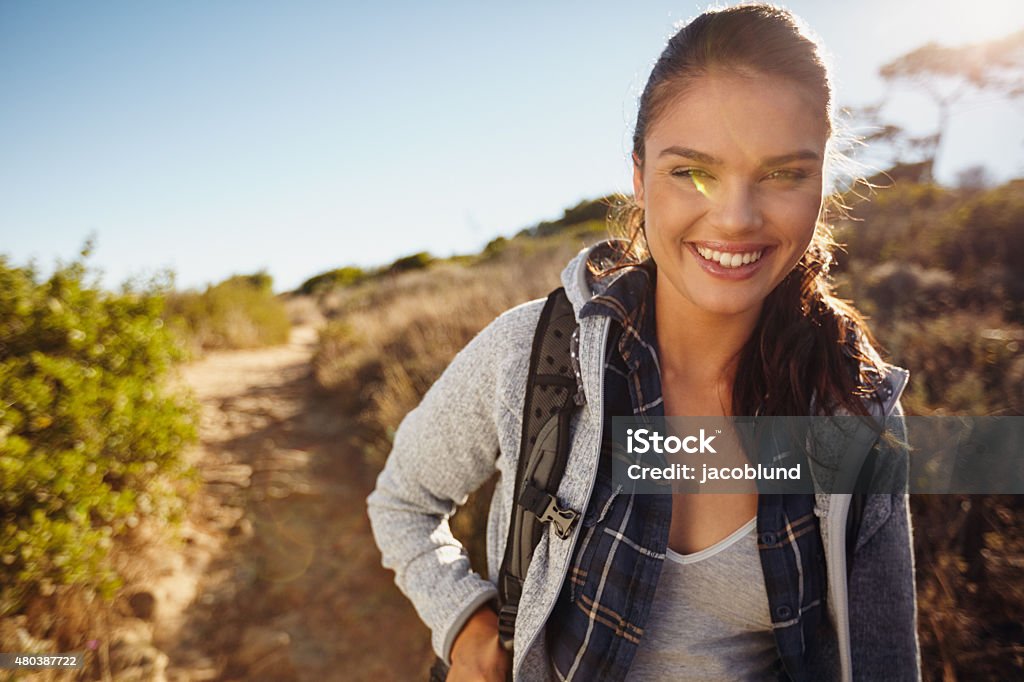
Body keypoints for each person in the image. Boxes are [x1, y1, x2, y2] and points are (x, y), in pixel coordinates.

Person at [367, 4, 920, 681]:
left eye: (783, 174)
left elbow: (884, 661)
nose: (737, 217)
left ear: (820, 182)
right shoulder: (531, 354)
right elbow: (403, 502)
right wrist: (464, 625)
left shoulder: (854, 413)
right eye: (693, 171)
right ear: (639, 173)